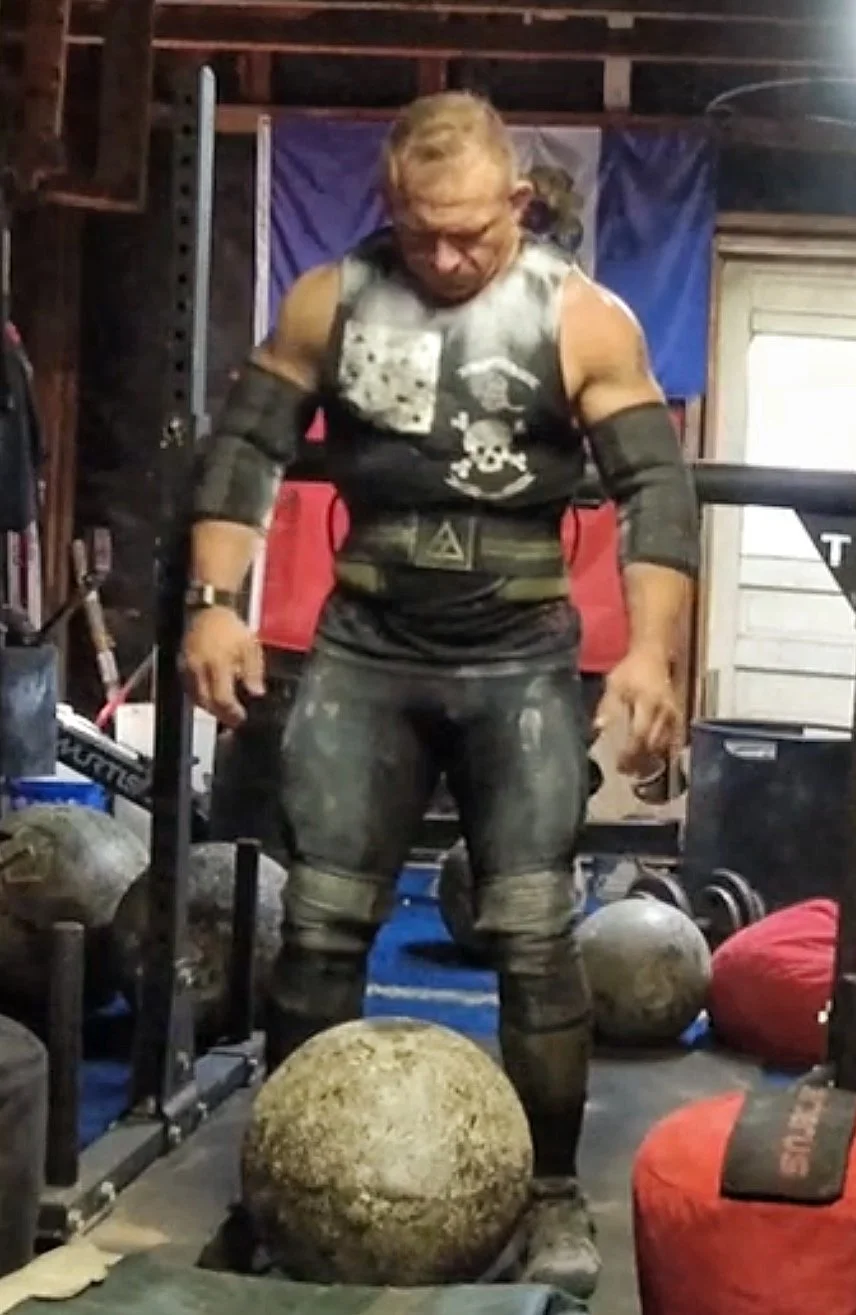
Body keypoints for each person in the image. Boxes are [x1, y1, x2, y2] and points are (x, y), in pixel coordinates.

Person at [181, 92, 699, 1297]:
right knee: (319, 927)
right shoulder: (332, 298)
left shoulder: (581, 316)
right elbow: (249, 442)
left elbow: (653, 492)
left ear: (517, 201)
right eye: (424, 235)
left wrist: (650, 654)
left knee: (531, 932)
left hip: (518, 655)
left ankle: (556, 1192)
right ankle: (279, 1188)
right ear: (390, 209)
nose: (450, 257)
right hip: (367, 649)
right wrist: (213, 600)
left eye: (472, 232)